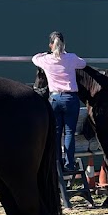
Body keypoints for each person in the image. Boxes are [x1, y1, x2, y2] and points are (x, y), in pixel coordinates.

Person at [32, 31, 86, 173]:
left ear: (51, 45)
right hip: (71, 99)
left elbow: (34, 58)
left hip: (54, 98)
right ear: (64, 44)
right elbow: (83, 63)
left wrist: (45, 53)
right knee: (69, 133)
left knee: (55, 133)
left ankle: (56, 163)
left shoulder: (46, 60)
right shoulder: (71, 58)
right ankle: (69, 165)